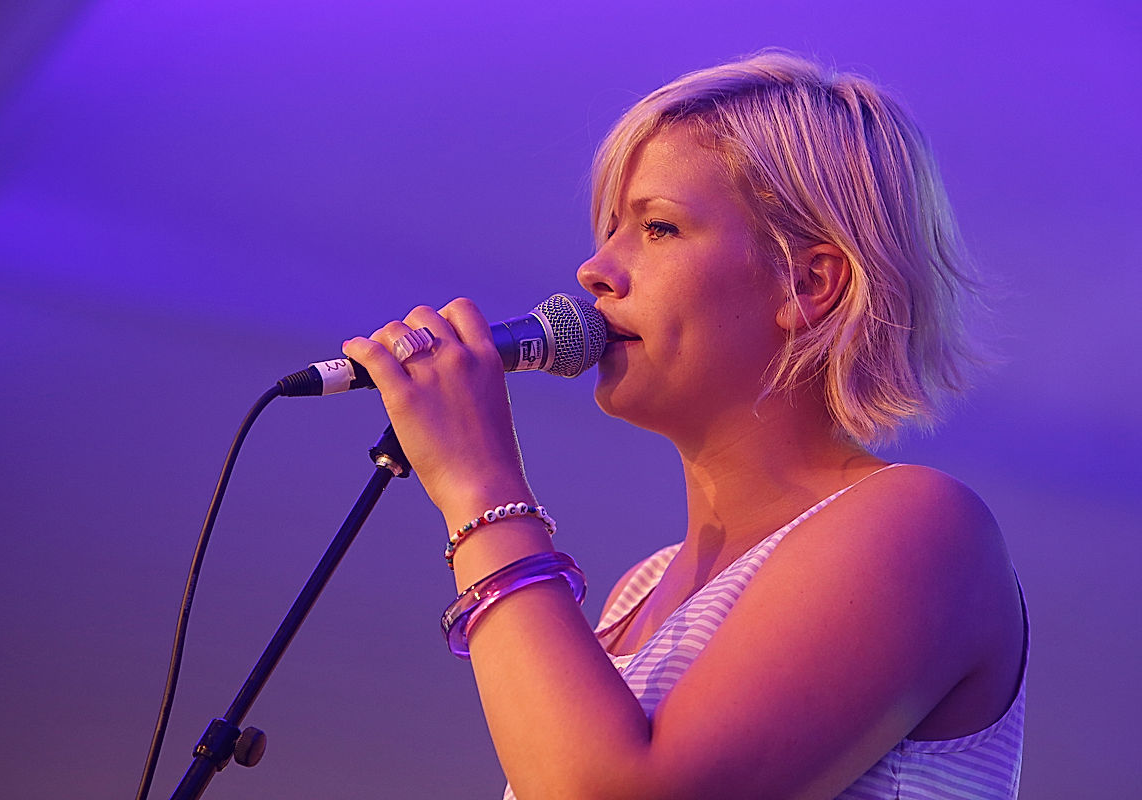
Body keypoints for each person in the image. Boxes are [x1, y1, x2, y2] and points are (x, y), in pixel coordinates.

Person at [342, 49, 1026, 800]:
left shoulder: (920, 525)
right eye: (607, 229)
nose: (595, 270)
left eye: (659, 228)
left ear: (808, 283)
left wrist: (480, 487)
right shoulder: (639, 591)